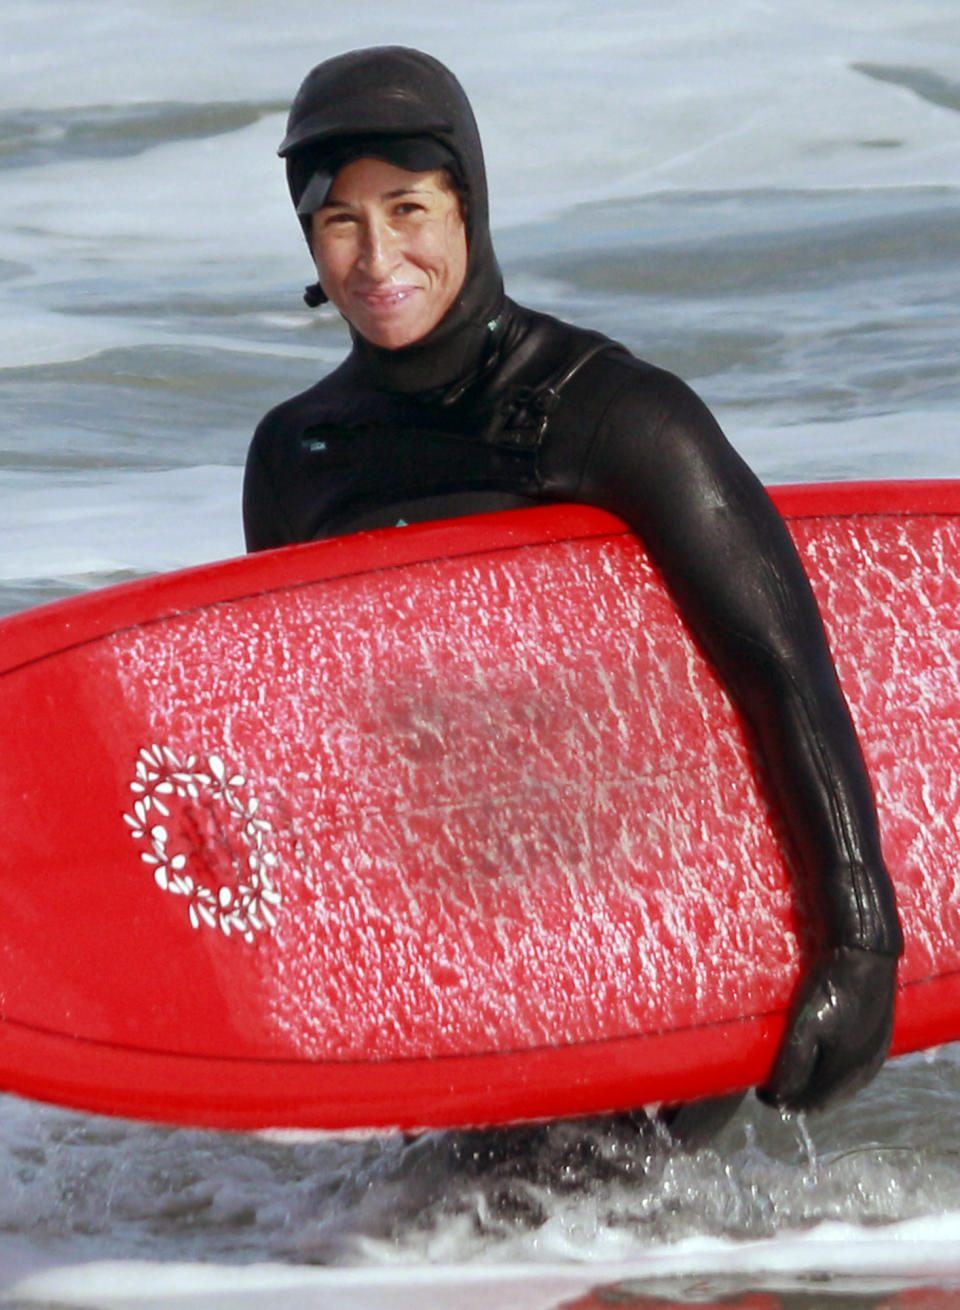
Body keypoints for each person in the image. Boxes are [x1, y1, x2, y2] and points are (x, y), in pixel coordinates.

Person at [244, 46, 903, 1116]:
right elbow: (312, 746)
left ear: (470, 208)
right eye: (340, 221)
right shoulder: (297, 455)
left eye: (408, 208)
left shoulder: (614, 411)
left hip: (650, 915)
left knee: (555, 1218)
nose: (376, 256)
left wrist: (862, 940)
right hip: (459, 942)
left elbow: (782, 664)